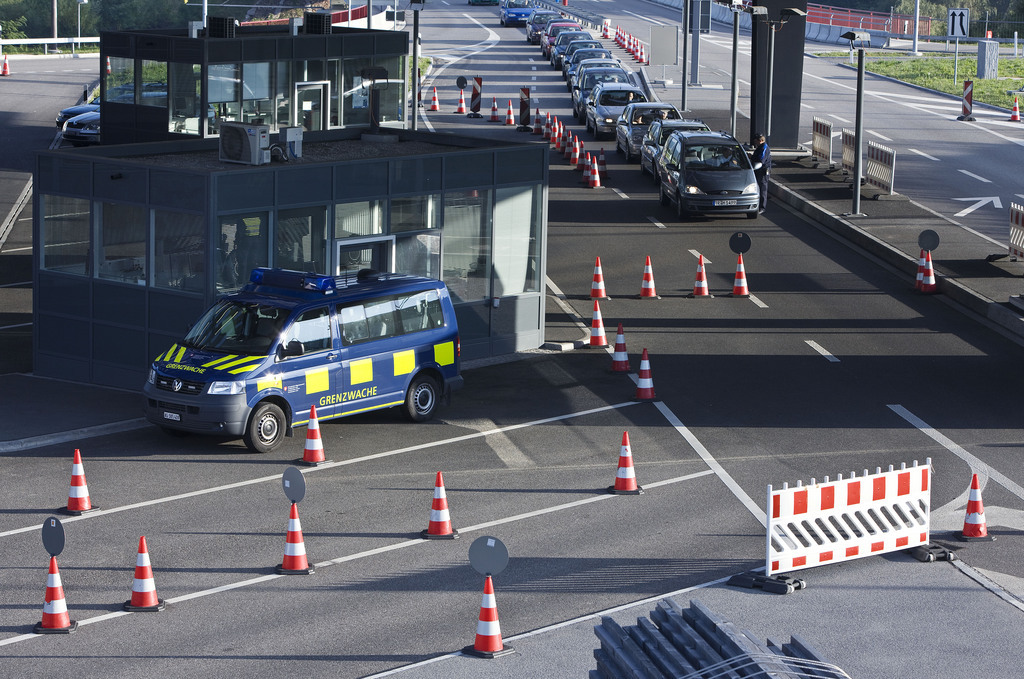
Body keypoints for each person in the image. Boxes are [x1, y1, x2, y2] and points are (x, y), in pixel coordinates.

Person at [751, 133, 771, 213]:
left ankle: (762, 207)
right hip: (758, 170)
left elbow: (761, 160)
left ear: (760, 140)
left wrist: (752, 157)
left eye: (756, 141)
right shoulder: (760, 147)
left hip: (763, 171)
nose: (755, 142)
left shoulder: (764, 148)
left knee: (763, 188)